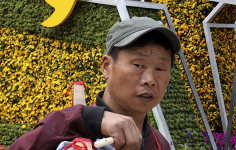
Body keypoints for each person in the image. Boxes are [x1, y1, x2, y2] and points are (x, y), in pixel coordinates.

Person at [7, 16, 181, 150]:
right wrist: (86, 119)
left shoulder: (159, 144)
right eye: (138, 65)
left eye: (160, 68)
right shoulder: (67, 130)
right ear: (106, 66)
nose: (150, 80)